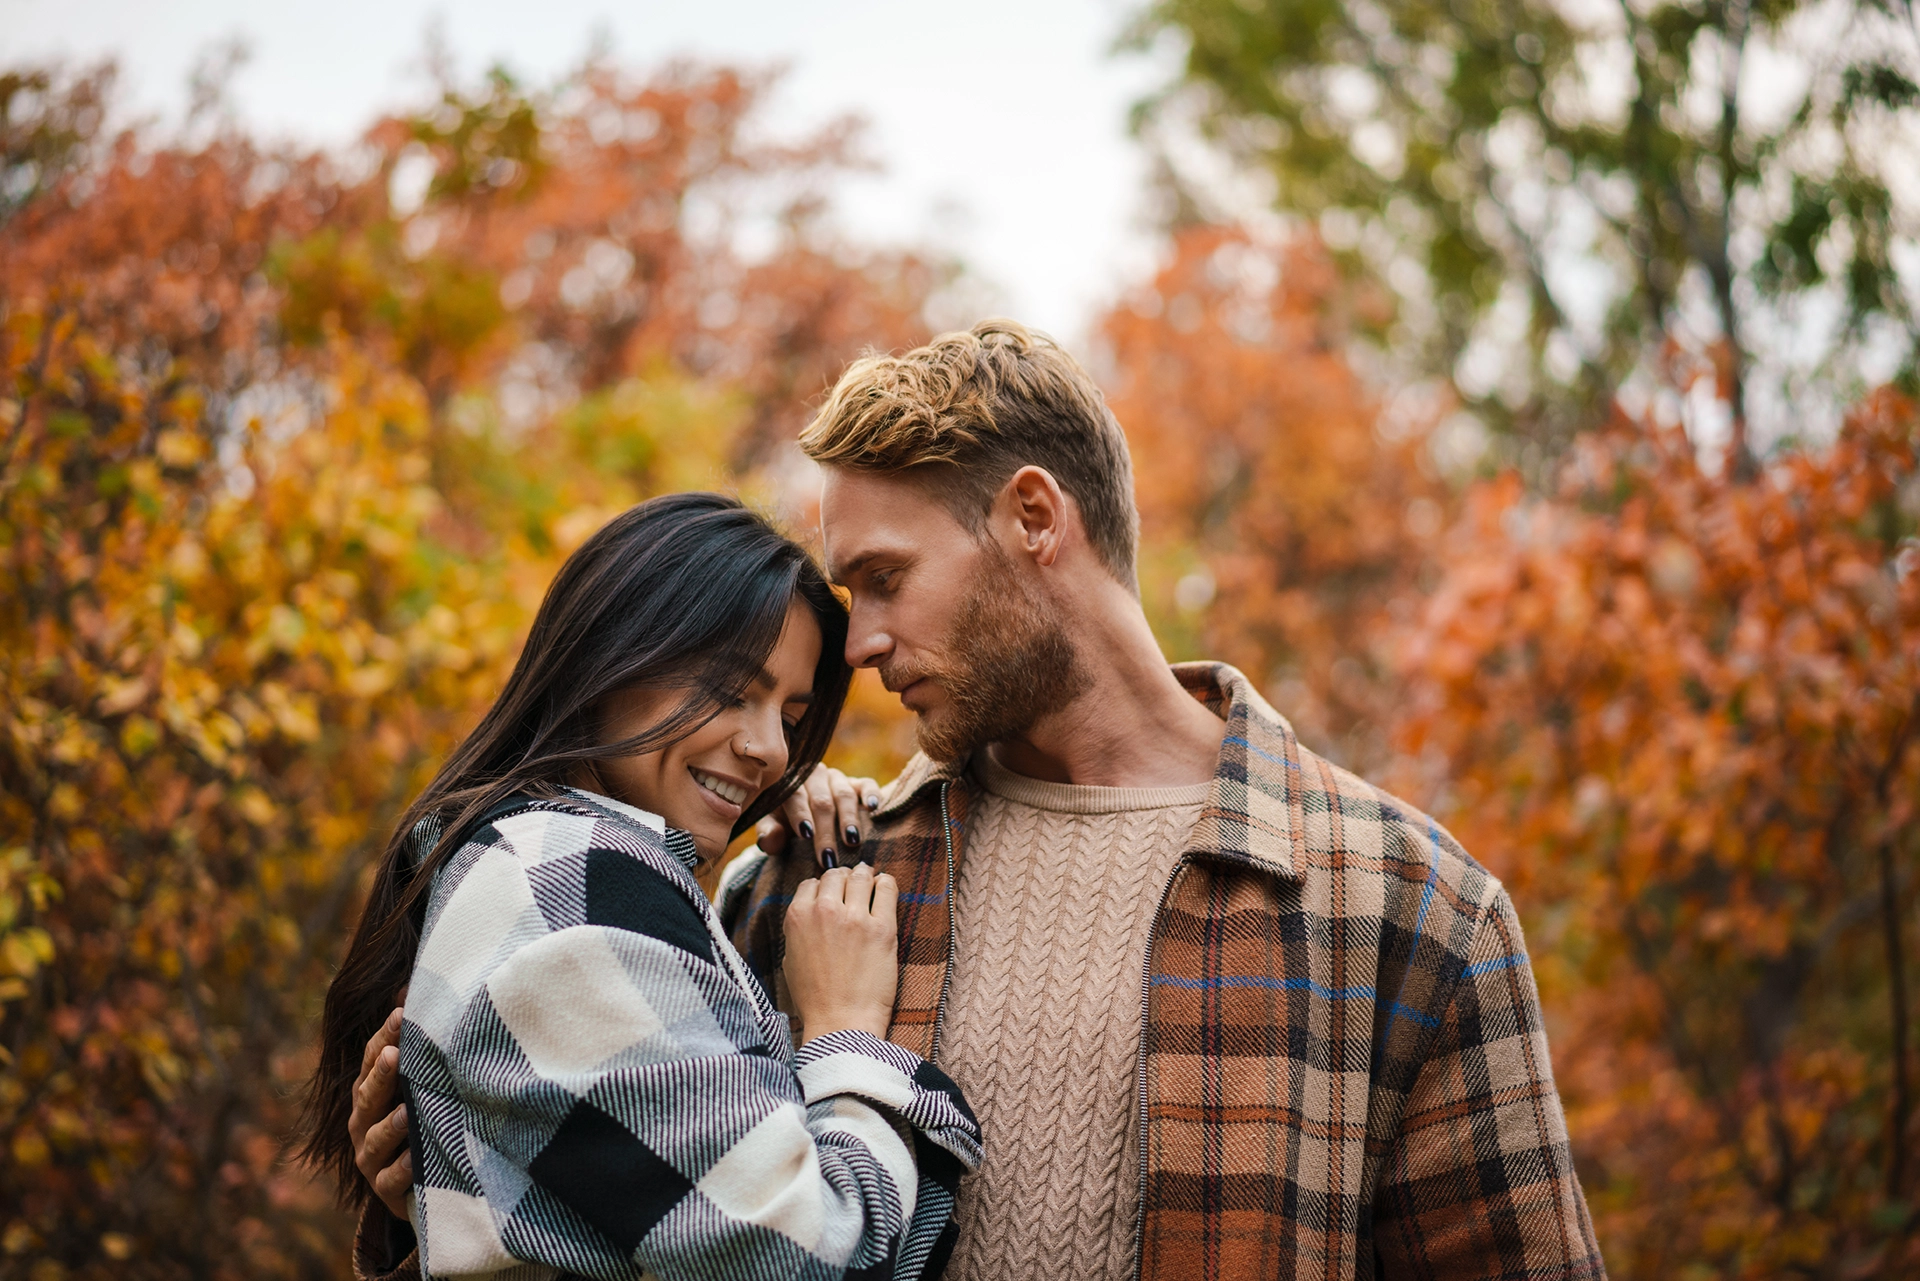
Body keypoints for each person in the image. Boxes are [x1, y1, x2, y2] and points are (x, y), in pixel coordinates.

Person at [355, 321, 1604, 1280]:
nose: (858, 646)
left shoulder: (1409, 907)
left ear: (1033, 519)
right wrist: (461, 1174)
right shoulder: (812, 878)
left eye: (885, 579)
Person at [304, 492, 980, 1281]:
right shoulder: (570, 885)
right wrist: (846, 1030)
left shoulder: (522, 857)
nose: (769, 749)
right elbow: (820, 1259)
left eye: (790, 719)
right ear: (608, 656)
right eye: (731, 690)